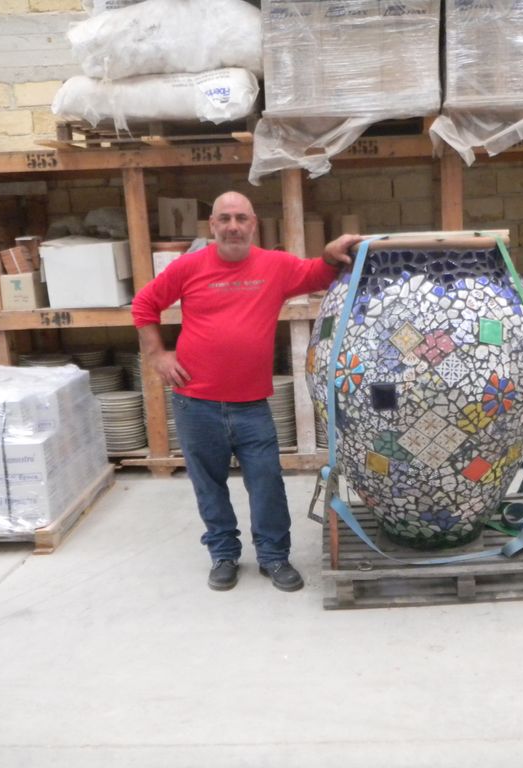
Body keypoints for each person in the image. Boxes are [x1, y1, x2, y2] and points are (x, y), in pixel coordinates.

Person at [132, 191, 360, 592]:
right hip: (195, 402)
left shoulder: (274, 265)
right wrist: (157, 356)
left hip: (251, 405)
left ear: (253, 224)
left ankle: (274, 556)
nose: (233, 226)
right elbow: (144, 304)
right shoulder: (189, 267)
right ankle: (223, 554)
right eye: (224, 219)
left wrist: (329, 253)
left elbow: (318, 273)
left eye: (241, 218)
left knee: (267, 481)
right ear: (212, 226)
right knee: (209, 484)